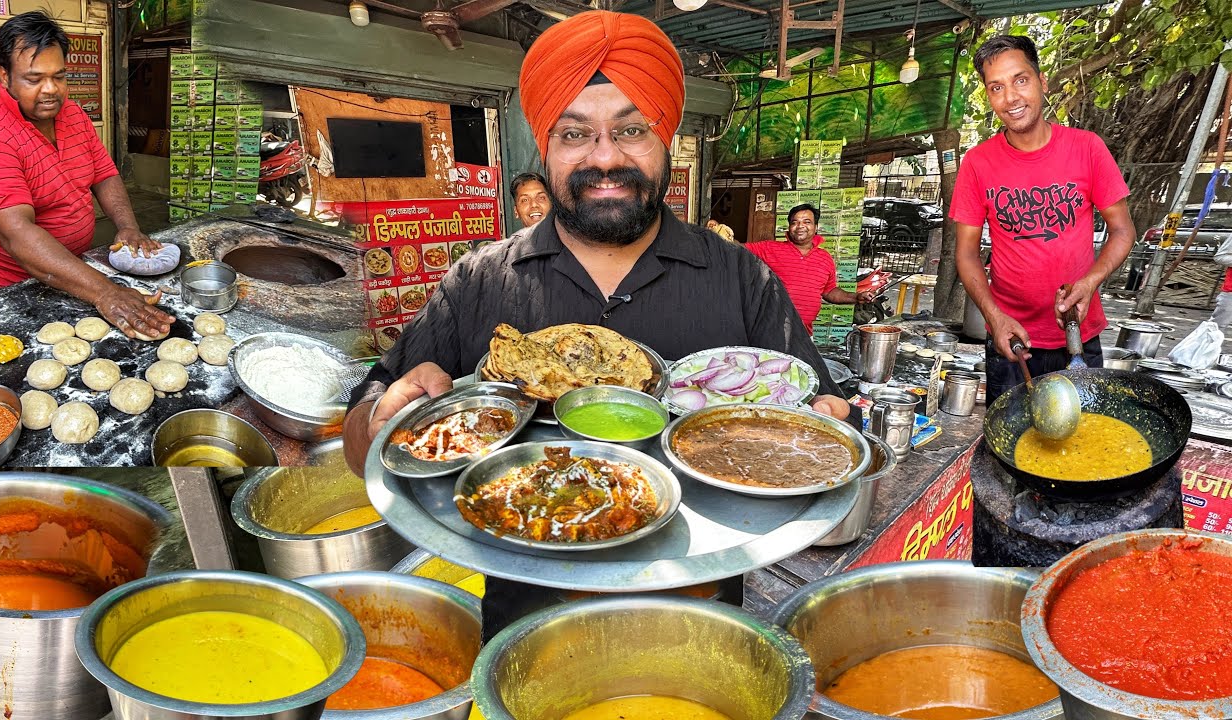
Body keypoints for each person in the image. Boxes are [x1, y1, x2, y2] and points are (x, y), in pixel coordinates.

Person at [342, 10, 856, 478]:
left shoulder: (743, 277)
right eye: (573, 134)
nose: (605, 158)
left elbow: (822, 420)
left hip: (701, 577)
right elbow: (363, 429)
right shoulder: (477, 280)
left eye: (631, 129)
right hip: (520, 573)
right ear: (545, 149)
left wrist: (822, 438)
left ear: (668, 144)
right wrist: (380, 422)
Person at [0, 11, 173, 339]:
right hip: (11, 293)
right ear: (5, 77)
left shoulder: (72, 113)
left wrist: (128, 228)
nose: (51, 90)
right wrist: (106, 293)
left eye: (59, 76)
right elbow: (16, 233)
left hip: (69, 273)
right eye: (34, 79)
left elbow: (104, 174)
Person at [950, 34, 1135, 404]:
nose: (1011, 98)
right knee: (1010, 447)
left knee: (1083, 445)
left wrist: (1090, 281)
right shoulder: (978, 162)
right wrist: (994, 317)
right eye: (996, 87)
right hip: (1012, 340)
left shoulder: (1087, 148)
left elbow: (1122, 230)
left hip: (1077, 335)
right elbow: (966, 253)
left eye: (1021, 80)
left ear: (1042, 81)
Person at [746, 203, 876, 332]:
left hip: (804, 334)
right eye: (794, 222)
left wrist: (856, 297)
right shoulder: (769, 248)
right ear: (789, 227)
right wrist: (725, 235)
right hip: (770, 331)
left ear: (816, 227)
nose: (800, 226)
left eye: (807, 222)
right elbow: (737, 249)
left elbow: (829, 291)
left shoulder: (825, 258)